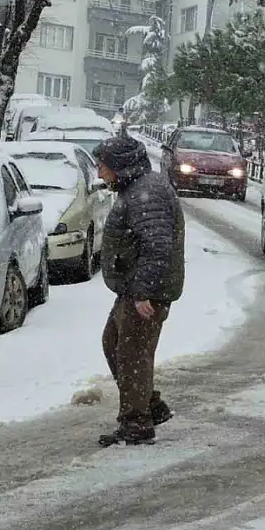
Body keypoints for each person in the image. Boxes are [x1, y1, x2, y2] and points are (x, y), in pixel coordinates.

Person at [93, 135, 185, 447]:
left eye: (102, 166)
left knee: (132, 354)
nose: (99, 173)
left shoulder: (146, 192)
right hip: (135, 288)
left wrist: (144, 292)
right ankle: (149, 406)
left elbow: (158, 247)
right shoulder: (137, 188)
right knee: (114, 343)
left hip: (146, 291)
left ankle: (136, 423)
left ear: (120, 166)